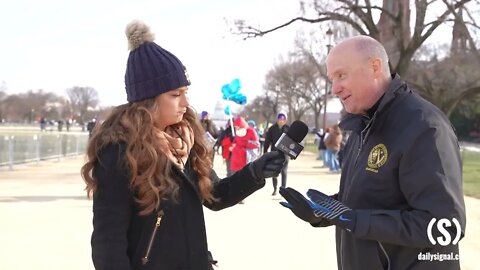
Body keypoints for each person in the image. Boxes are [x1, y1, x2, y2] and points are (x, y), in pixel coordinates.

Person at [80, 20, 286, 270]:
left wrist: (254, 172)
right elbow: (107, 244)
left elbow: (215, 195)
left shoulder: (186, 141)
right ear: (148, 100)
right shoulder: (118, 151)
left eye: (186, 92)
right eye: (175, 95)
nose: (186, 103)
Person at [279, 36, 466, 270]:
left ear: (374, 67)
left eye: (341, 75)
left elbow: (446, 226)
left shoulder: (424, 127)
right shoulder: (363, 125)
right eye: (332, 79)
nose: (334, 88)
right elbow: (372, 200)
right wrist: (324, 213)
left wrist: (355, 221)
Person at [263, 113, 290, 196]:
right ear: (277, 120)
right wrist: (265, 151)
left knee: (284, 171)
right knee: (274, 171)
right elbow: (267, 141)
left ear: (285, 120)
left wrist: (292, 153)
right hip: (275, 152)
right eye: (280, 119)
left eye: (283, 120)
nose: (281, 121)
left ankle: (283, 189)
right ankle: (275, 188)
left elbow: (293, 141)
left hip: (285, 153)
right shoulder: (272, 129)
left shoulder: (288, 129)